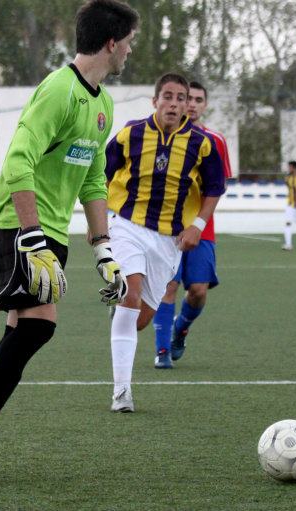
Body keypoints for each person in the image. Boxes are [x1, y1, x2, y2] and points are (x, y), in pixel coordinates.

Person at [0, 0, 138, 479]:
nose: (130, 50)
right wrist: (32, 238)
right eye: (128, 41)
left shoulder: (102, 102)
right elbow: (17, 163)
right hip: (18, 223)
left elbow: (93, 179)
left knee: (20, 334)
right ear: (110, 42)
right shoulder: (58, 91)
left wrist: (103, 248)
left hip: (50, 228)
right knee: (39, 327)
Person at [105, 73, 226, 412]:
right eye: (168, 96)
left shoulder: (201, 143)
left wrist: (197, 225)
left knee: (140, 318)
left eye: (180, 98)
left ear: (188, 103)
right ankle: (121, 392)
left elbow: (215, 187)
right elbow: (100, 175)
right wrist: (96, 221)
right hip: (127, 226)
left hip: (168, 241)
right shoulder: (130, 134)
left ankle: (122, 310)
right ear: (155, 101)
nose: (174, 103)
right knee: (132, 291)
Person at [150, 81, 232, 369]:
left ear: (204, 104)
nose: (193, 104)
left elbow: (216, 187)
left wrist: (198, 222)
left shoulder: (215, 141)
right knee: (168, 286)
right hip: (166, 227)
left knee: (198, 291)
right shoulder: (162, 137)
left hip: (201, 229)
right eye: (189, 99)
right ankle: (162, 351)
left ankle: (180, 329)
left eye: (199, 99)